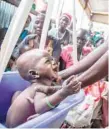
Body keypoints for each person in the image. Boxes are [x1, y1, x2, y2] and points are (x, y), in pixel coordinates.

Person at [6, 49, 81, 128]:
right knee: (43, 108)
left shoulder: (33, 87)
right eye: (47, 61)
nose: (54, 62)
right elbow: (40, 107)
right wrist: (63, 93)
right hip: (21, 127)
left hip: (8, 124)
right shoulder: (40, 88)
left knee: (18, 93)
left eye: (52, 59)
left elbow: (17, 94)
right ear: (34, 74)